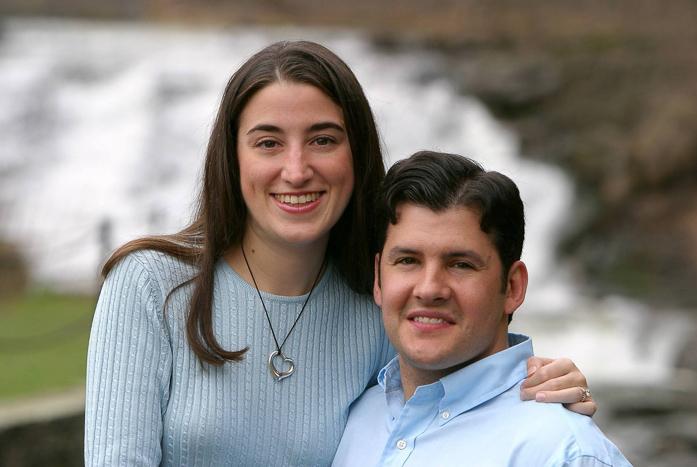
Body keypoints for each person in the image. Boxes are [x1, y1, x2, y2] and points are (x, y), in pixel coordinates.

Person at [85, 41, 596, 466]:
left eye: (322, 140)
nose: (297, 169)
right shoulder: (152, 285)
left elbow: (462, 404)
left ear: (357, 154)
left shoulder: (380, 304)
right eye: (267, 143)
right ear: (231, 157)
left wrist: (542, 386)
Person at [333, 151, 630, 466]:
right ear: (379, 278)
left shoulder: (562, 452)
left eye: (460, 264)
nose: (429, 289)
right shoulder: (353, 419)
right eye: (408, 261)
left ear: (513, 287)